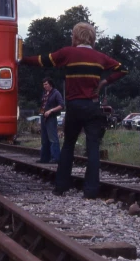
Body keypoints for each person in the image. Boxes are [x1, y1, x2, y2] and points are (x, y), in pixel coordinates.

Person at [20, 22, 127, 198]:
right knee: (93, 148)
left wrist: (22, 60)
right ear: (92, 38)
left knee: (69, 145)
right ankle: (91, 190)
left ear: (75, 37)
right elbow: (123, 69)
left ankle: (61, 186)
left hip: (74, 107)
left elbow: (42, 60)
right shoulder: (100, 57)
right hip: (92, 106)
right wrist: (103, 83)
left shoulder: (68, 53)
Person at [37, 77, 64, 164]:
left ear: (50, 84)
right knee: (44, 139)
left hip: (51, 117)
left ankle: (55, 157)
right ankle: (44, 158)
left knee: (53, 138)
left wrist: (51, 110)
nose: (44, 86)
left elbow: (61, 105)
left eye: (46, 84)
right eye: (43, 84)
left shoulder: (56, 93)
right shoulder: (45, 93)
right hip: (43, 117)